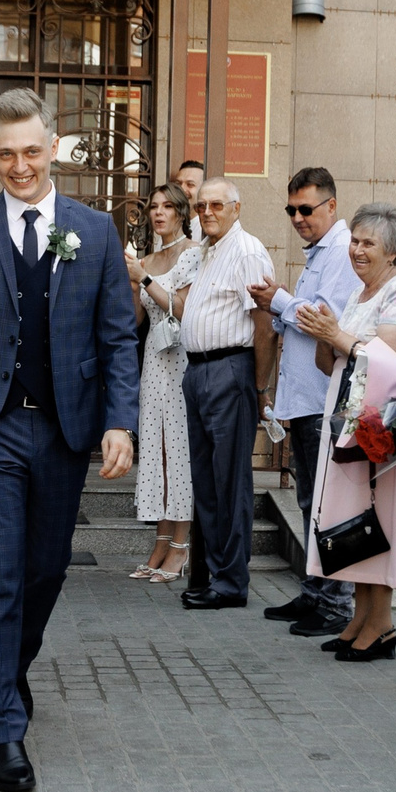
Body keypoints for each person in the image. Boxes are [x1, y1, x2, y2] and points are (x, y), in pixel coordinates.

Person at [0, 89, 141, 792]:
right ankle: (3, 730)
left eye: (31, 150)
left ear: (53, 148)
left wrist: (120, 420)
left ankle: (6, 670)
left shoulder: (97, 230)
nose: (20, 165)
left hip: (63, 426)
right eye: (6, 153)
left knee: (47, 569)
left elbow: (116, 334)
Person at [296, 202, 396, 660]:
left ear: (391, 251)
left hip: (379, 425)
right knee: (348, 517)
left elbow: (390, 355)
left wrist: (336, 336)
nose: (356, 250)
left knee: (378, 516)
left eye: (367, 243)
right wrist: (322, 333)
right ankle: (360, 616)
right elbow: (328, 361)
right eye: (353, 240)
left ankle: (383, 624)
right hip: (344, 418)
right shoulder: (358, 295)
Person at [148, 176, 274, 613]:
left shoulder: (247, 250)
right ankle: (208, 574)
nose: (207, 213)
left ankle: (231, 581)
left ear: (237, 208)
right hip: (198, 372)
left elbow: (263, 323)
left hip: (230, 370)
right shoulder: (205, 252)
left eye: (217, 205)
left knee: (229, 480)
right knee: (204, 480)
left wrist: (259, 387)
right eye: (202, 206)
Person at [254, 167, 365, 638]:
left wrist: (278, 302)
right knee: (309, 500)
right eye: (292, 210)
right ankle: (317, 590)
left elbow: (327, 320)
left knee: (329, 503)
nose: (298, 218)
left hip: (324, 399)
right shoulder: (320, 252)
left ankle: (337, 603)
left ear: (331, 207)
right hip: (304, 398)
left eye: (307, 209)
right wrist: (280, 309)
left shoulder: (340, 251)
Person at [123, 183, 200, 583]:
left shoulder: (193, 254)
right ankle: (160, 540)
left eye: (168, 206)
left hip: (181, 357)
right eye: (154, 206)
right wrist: (131, 281)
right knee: (155, 449)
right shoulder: (148, 258)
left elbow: (184, 308)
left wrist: (146, 277)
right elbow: (137, 320)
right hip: (153, 357)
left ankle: (181, 546)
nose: (159, 213)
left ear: (182, 213)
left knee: (179, 452)